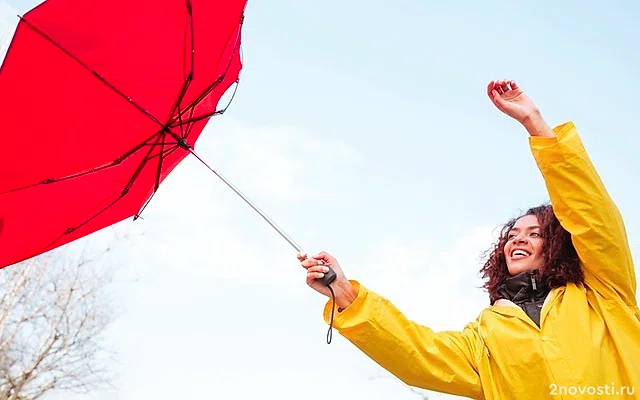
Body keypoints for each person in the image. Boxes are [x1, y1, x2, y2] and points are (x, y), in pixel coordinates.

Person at [297, 79, 640, 399]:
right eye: (513, 234)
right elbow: (418, 354)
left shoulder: (603, 292)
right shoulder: (487, 336)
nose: (517, 240)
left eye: (535, 234)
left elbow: (591, 216)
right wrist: (345, 294)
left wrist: (535, 123)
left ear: (557, 246)